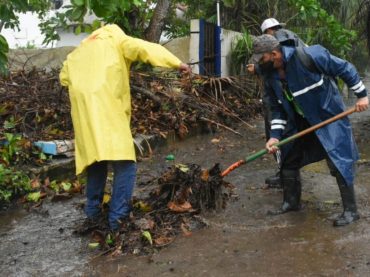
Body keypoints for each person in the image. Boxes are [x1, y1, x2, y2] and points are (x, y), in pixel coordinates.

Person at [60, 24, 191, 232]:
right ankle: (117, 221)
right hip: (108, 111)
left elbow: (64, 77)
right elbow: (145, 49)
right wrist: (177, 62)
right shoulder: (116, 39)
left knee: (96, 162)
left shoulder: (77, 52)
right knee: (125, 163)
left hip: (85, 118)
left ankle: (92, 215)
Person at [249, 34, 369, 226]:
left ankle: (351, 211)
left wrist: (362, 95)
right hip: (300, 121)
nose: (259, 64)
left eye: (262, 59)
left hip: (327, 116)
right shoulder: (269, 75)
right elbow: (277, 108)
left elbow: (345, 68)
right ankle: (291, 202)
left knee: (339, 160)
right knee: (288, 157)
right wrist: (274, 137)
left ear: (274, 54)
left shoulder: (311, 55)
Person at [247, 18, 306, 188]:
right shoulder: (291, 38)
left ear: (269, 32)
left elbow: (269, 67)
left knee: (277, 134)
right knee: (286, 134)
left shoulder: (276, 44)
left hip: (277, 95)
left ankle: (284, 175)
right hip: (288, 96)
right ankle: (288, 174)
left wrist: (256, 69)